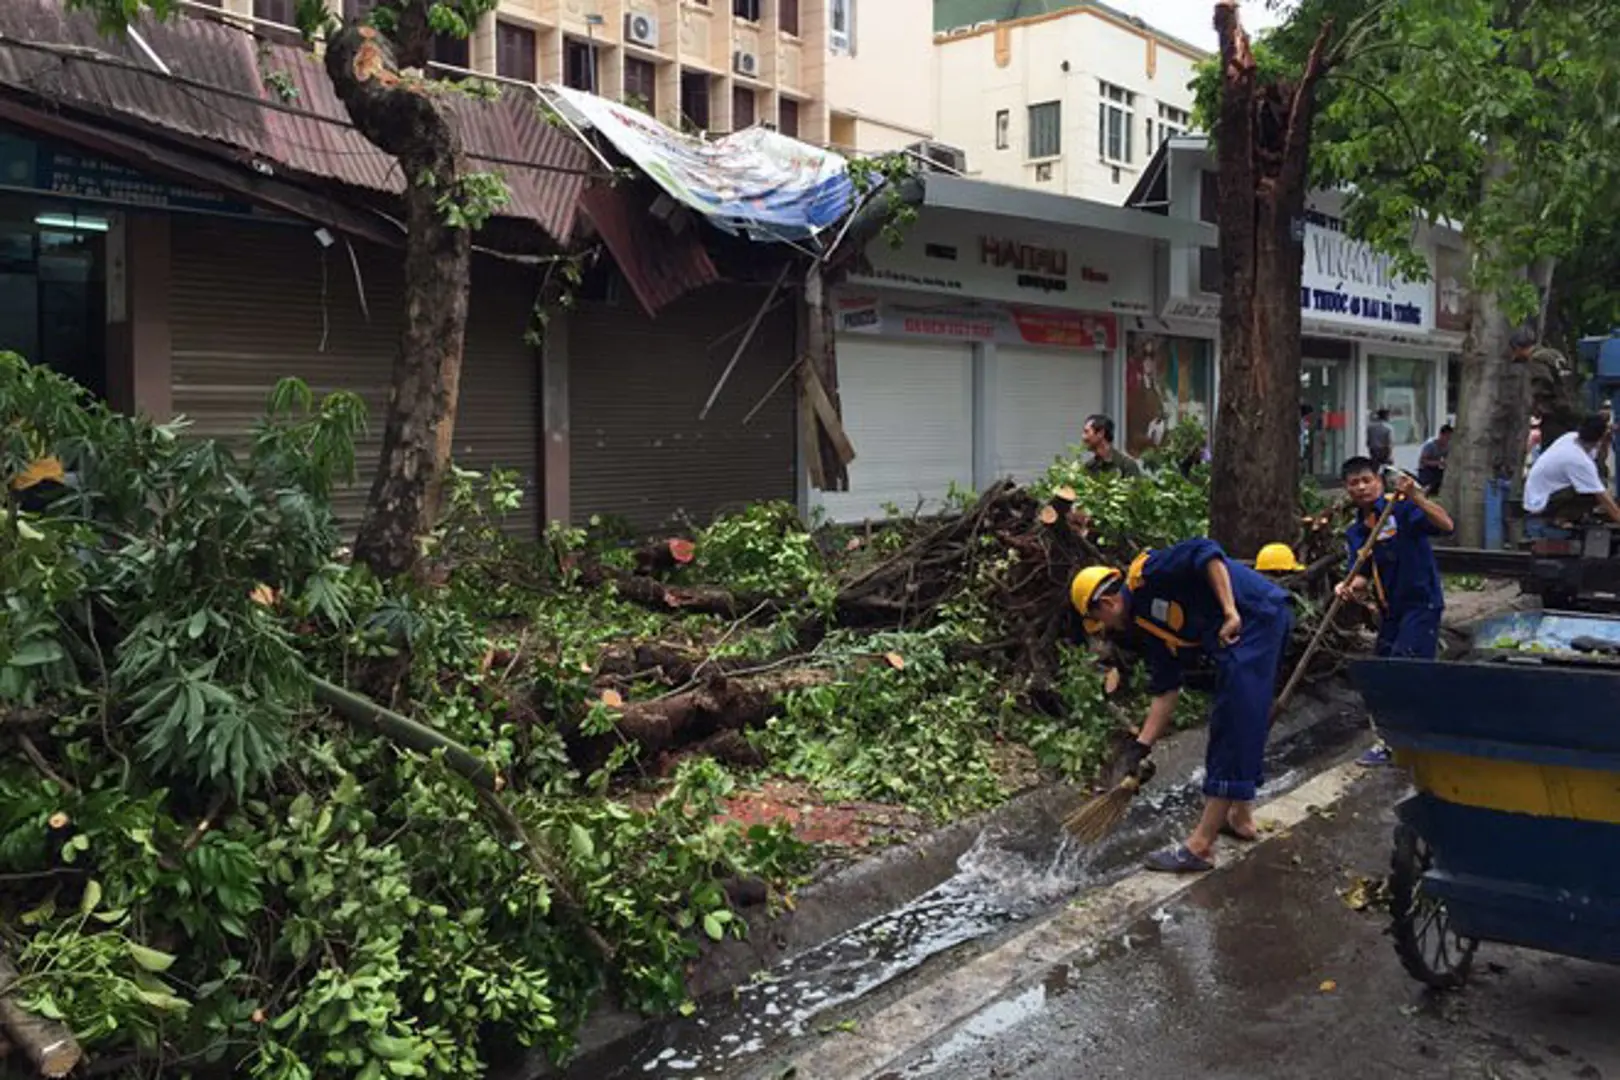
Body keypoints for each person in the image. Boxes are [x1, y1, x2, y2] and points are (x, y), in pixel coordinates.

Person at [1071, 538, 1294, 874]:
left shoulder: (1148, 574)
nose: (1105, 630)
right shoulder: (1149, 628)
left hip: (1256, 618)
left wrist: (1231, 610)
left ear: (1107, 602)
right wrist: (1140, 748)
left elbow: (1208, 553)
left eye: (1099, 620)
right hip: (1245, 635)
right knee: (1242, 718)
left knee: (1231, 724)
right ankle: (1240, 816)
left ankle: (1200, 847)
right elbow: (1166, 690)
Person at [1337, 457, 1454, 766]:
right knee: (1386, 671)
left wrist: (1417, 496)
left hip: (1421, 603)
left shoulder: (1401, 510)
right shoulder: (1357, 532)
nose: (1361, 487)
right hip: (1390, 611)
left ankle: (1411, 740)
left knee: (1407, 666)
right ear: (1347, 489)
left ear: (1378, 480)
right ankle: (1397, 737)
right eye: (1353, 483)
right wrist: (1348, 587)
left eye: (1366, 480)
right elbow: (1361, 574)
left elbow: (1446, 524)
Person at [1522, 413, 1620, 536]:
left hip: (1541, 492)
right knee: (1593, 490)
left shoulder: (1571, 438)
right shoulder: (1577, 460)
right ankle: (1560, 518)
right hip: (1541, 502)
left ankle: (1570, 516)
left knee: (1597, 479)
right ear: (1598, 439)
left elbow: (1598, 460)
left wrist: (1606, 440)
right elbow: (1601, 495)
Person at [1511, 328, 1582, 450]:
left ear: (1518, 348)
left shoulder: (1537, 360)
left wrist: (1537, 408)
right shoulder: (1553, 354)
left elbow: (1542, 386)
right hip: (1573, 409)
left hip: (1556, 415)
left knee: (1553, 452)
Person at [1081, 414, 1143, 478]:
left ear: (1101, 433)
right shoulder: (1089, 467)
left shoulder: (1126, 465)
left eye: (1087, 432)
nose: (1083, 437)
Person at [1416, 424, 1452, 495]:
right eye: (1447, 437)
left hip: (1436, 469)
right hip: (1425, 470)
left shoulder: (1447, 447)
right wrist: (1438, 463)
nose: (1448, 440)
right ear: (1441, 435)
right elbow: (1423, 461)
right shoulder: (1430, 445)